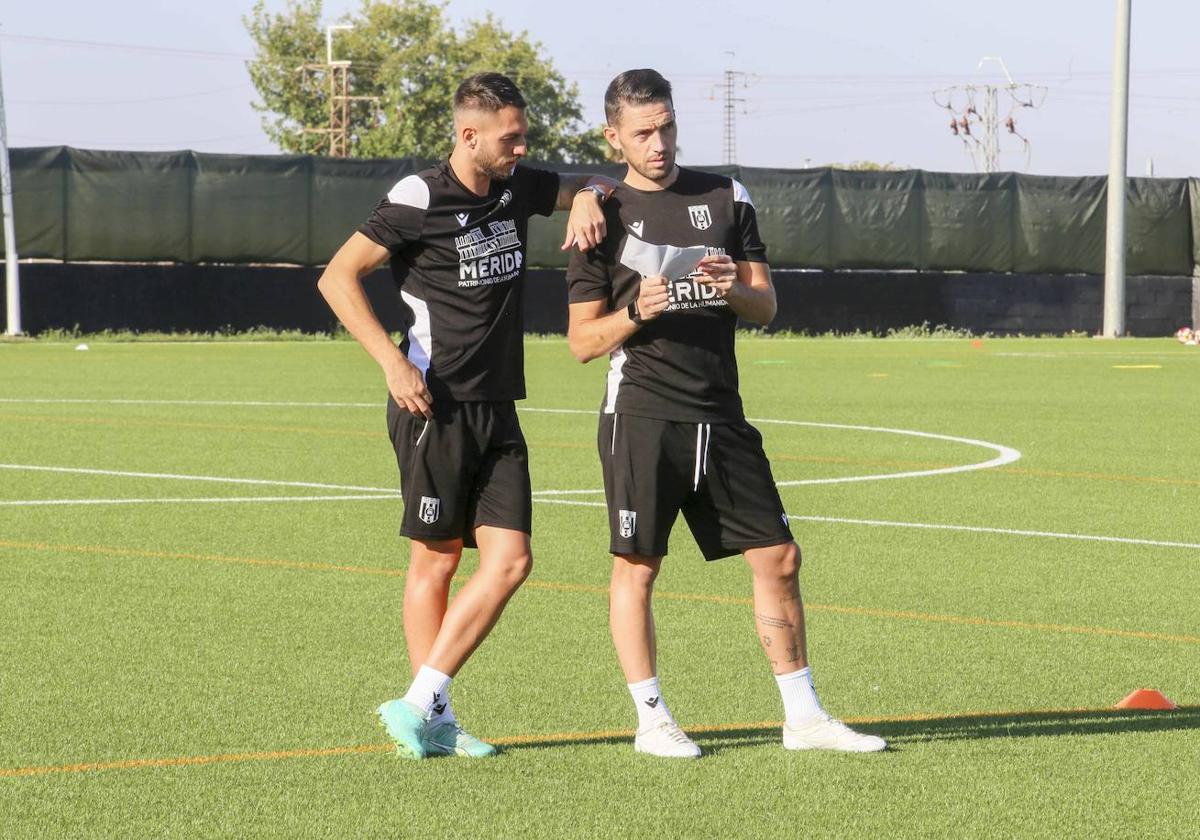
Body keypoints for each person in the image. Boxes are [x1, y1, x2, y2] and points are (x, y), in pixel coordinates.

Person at [566, 69, 885, 758]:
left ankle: (802, 717)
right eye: (644, 132)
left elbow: (766, 305)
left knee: (778, 555)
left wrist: (732, 285)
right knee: (639, 566)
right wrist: (635, 311)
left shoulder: (726, 195)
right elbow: (581, 342)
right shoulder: (598, 215)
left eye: (669, 127)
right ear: (613, 135)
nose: (659, 143)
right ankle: (652, 720)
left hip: (722, 412)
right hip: (642, 415)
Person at [318, 72, 616, 759]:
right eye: (510, 137)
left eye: (524, 135)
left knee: (510, 560)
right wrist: (392, 365)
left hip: (498, 406)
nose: (521, 147)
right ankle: (436, 721)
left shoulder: (520, 186)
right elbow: (337, 276)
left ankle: (421, 702)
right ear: (468, 134)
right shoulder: (419, 197)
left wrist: (585, 200)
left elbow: (596, 181)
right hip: (434, 403)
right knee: (438, 560)